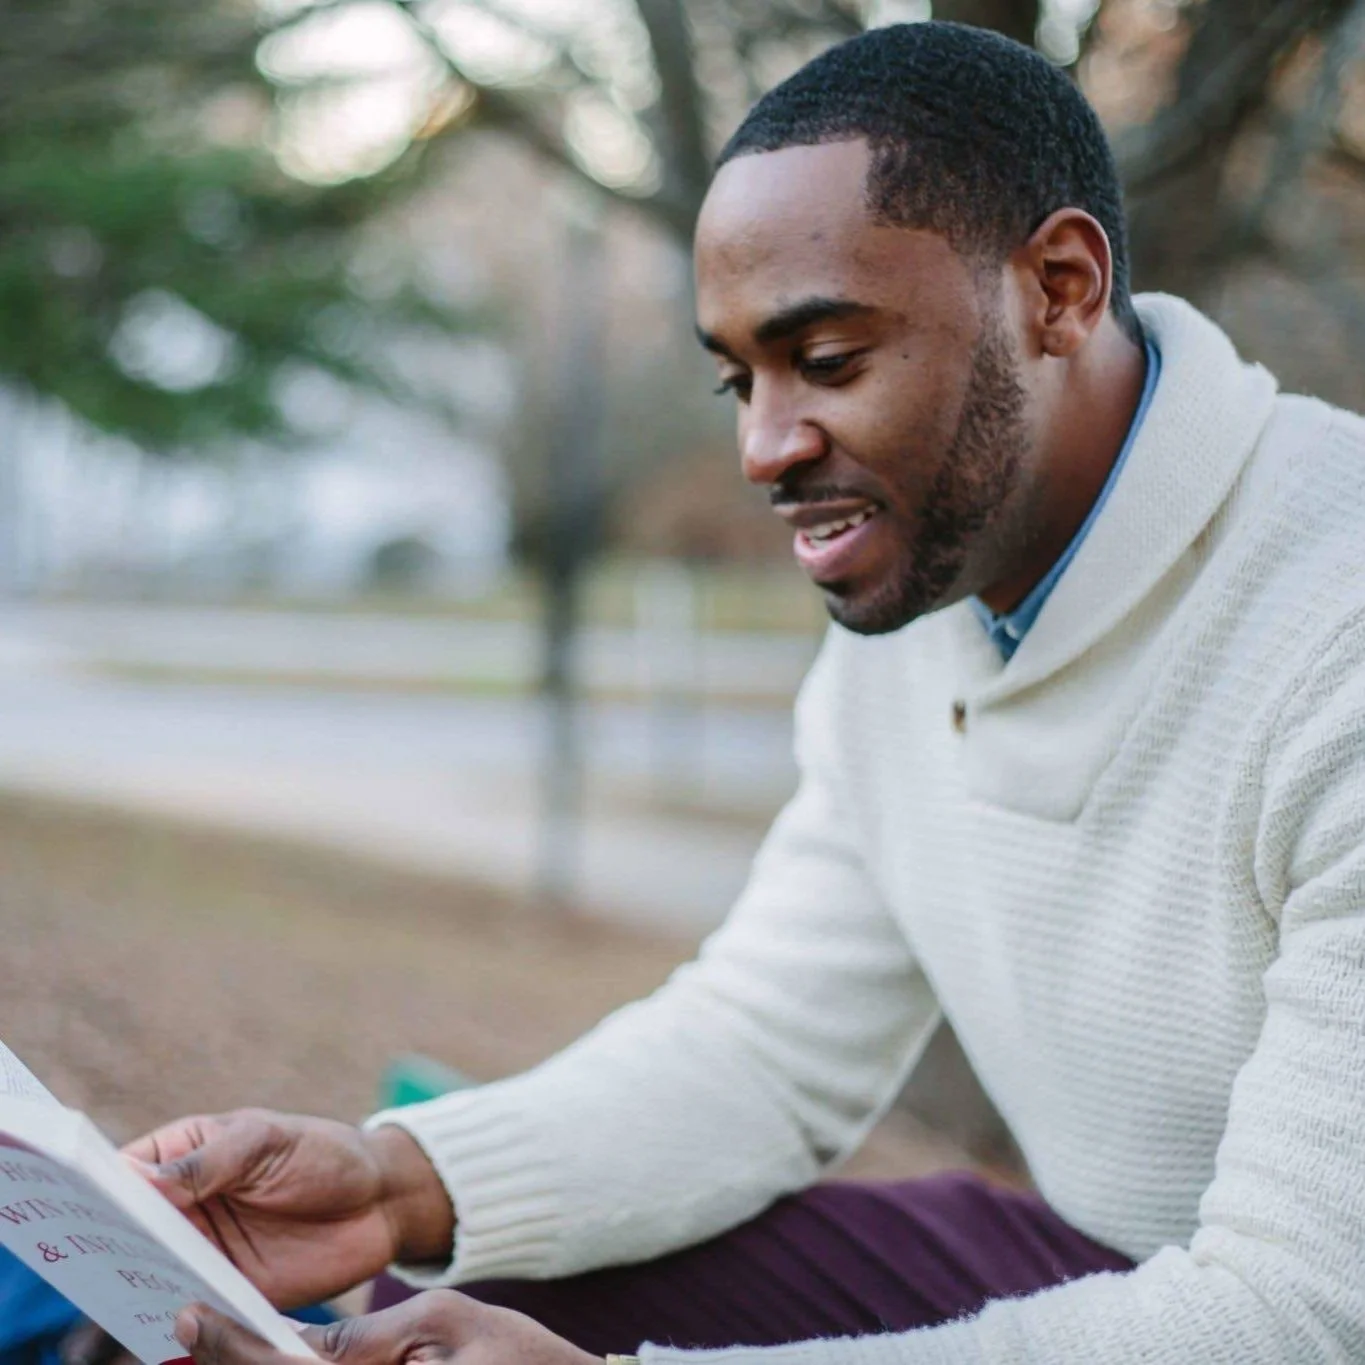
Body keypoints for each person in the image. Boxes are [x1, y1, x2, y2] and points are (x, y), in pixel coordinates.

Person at [121, 20, 1365, 1365]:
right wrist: (395, 1179)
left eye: (826, 359)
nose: (765, 447)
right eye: (738, 377)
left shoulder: (1331, 628)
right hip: (1126, 1263)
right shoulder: (925, 619)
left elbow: (1296, 1314)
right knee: (499, 1306)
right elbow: (763, 1049)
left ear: (1058, 289)